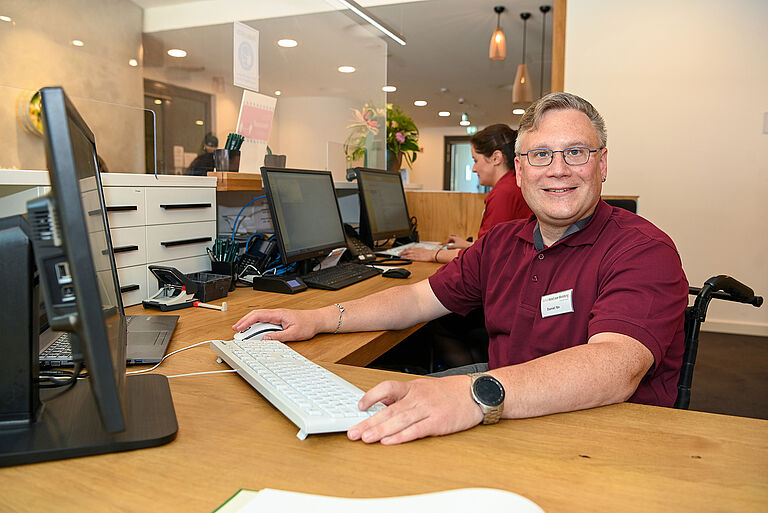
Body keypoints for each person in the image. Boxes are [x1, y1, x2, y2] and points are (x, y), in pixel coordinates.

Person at [233, 92, 689, 445]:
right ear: (522, 168)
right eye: (540, 155)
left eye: (576, 153)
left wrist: (474, 394)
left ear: (602, 163)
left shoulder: (643, 249)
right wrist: (318, 318)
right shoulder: (503, 243)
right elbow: (416, 297)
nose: (557, 170)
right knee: (360, 418)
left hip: (599, 436)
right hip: (505, 409)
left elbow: (614, 367)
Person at [400, 124, 533, 263]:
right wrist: (469, 245)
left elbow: (485, 255)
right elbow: (500, 245)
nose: (474, 169)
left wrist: (433, 254)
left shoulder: (504, 193)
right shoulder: (512, 185)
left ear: (496, 158)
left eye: (475, 160)